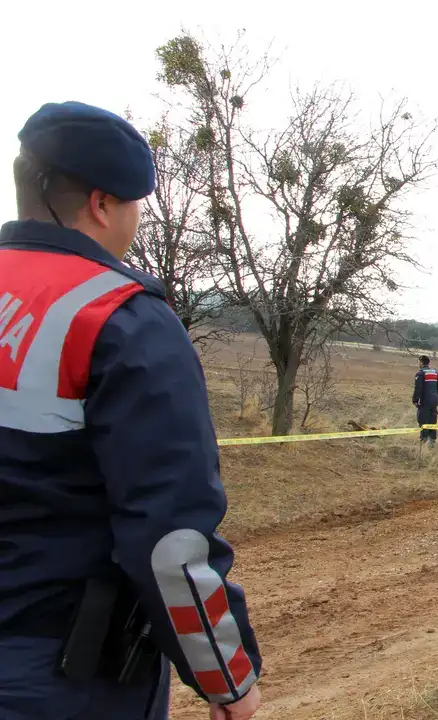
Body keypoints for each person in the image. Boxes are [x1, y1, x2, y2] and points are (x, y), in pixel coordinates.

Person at [0, 102, 261, 718]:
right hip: (62, 677)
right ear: (102, 204)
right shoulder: (121, 319)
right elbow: (169, 543)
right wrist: (227, 677)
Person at [413, 355, 438, 446]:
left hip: (425, 401)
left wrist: (415, 400)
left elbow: (418, 389)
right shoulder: (435, 373)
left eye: (418, 362)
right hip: (434, 401)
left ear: (421, 362)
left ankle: (423, 440)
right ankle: (432, 441)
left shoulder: (420, 374)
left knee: (422, 419)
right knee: (432, 420)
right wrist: (437, 398)